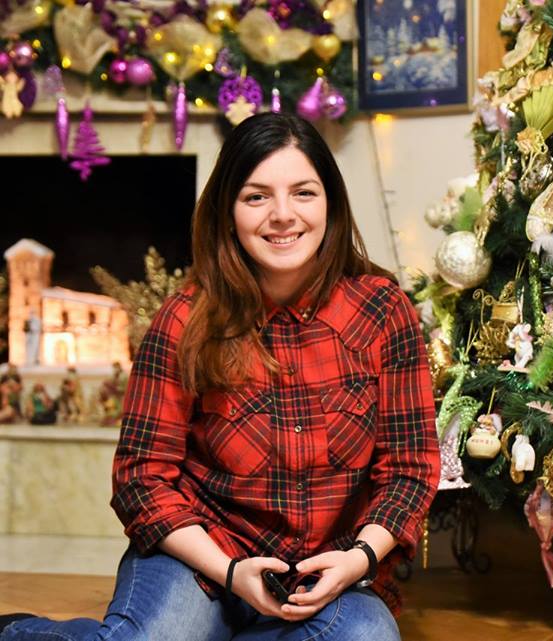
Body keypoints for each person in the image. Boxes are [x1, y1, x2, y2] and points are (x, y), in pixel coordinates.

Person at [0, 112, 440, 640]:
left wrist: (360, 557)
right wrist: (230, 572)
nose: (283, 215)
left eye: (303, 193)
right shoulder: (183, 321)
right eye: (256, 197)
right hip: (202, 560)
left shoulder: (382, 311)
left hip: (330, 572)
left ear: (331, 204)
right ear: (228, 212)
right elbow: (141, 476)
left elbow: (410, 467)